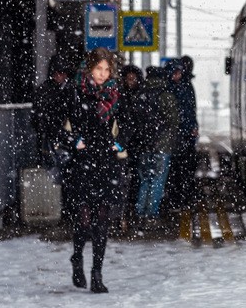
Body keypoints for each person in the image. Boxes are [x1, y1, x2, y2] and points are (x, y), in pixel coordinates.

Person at [63, 47, 126, 294]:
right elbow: (57, 123)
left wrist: (120, 142)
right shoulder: (74, 90)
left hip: (105, 161)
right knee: (84, 218)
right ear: (90, 68)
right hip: (82, 161)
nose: (102, 74)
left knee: (102, 218)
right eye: (98, 69)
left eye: (106, 69)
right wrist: (73, 142)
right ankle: (77, 257)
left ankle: (97, 273)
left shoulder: (114, 94)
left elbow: (128, 123)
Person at [135, 64, 180, 223]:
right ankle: (152, 214)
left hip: (144, 144)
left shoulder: (140, 95)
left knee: (145, 179)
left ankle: (140, 212)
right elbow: (174, 121)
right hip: (162, 145)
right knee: (158, 180)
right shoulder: (166, 96)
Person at [165, 58, 199, 211]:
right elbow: (186, 110)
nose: (178, 75)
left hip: (182, 135)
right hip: (177, 135)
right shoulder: (175, 87)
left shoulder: (182, 86)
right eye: (176, 72)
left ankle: (181, 198)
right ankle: (178, 198)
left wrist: (192, 126)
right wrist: (190, 126)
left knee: (182, 168)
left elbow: (189, 110)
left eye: (180, 72)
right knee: (178, 169)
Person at [115, 64, 147, 228]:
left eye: (133, 78)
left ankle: (131, 208)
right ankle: (126, 211)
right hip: (124, 143)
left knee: (135, 177)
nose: (130, 82)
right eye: (127, 79)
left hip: (136, 143)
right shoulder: (121, 96)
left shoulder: (141, 96)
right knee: (124, 178)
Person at [30, 55, 72, 169]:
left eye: (62, 73)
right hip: (52, 140)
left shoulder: (69, 90)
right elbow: (38, 119)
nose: (60, 76)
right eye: (57, 73)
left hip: (60, 139)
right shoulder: (45, 92)